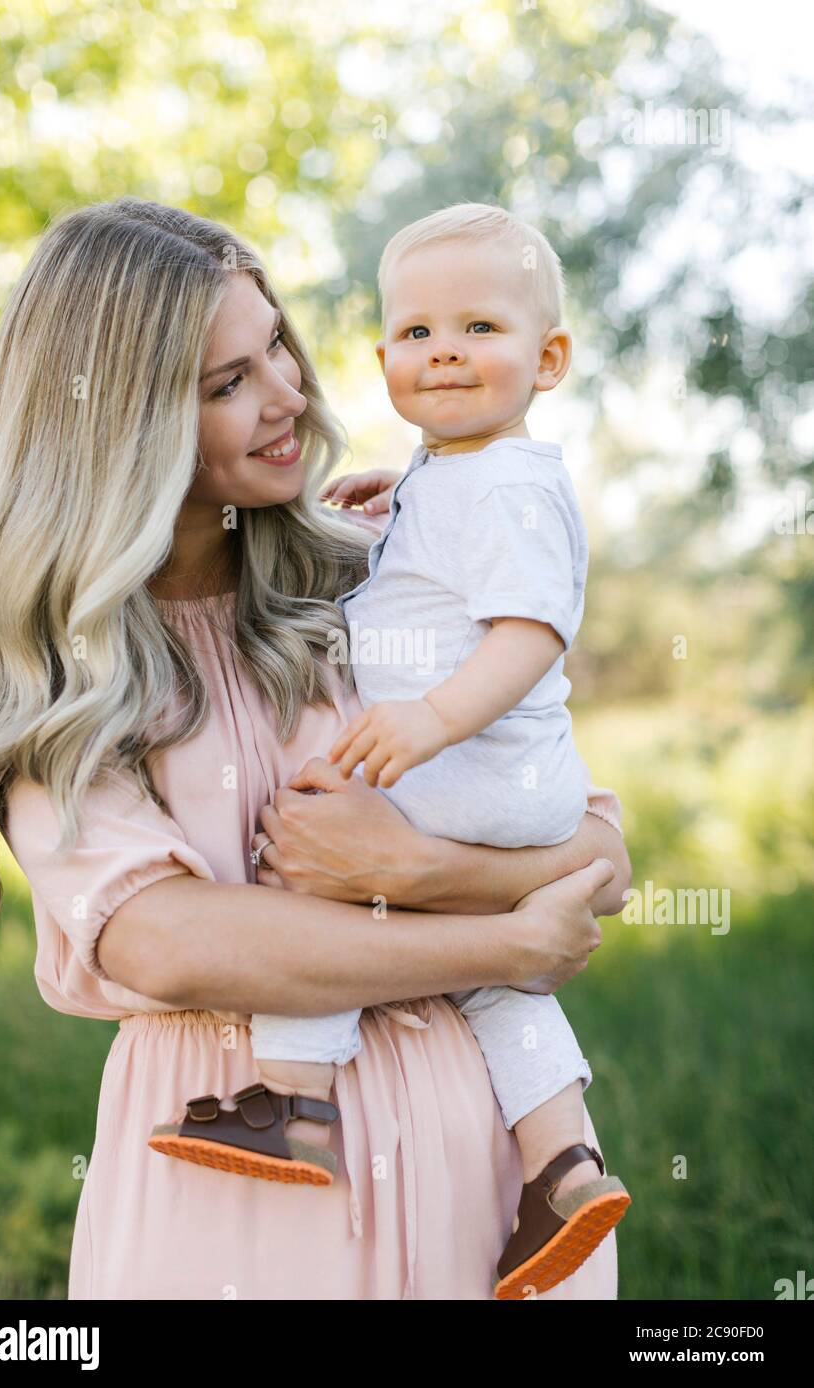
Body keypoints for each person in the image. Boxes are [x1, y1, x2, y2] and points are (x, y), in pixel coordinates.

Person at [0, 196, 630, 1300]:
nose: (288, 398)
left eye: (276, 346)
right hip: (238, 1198)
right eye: (226, 384)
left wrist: (425, 874)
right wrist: (502, 942)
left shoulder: (372, 568)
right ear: (116, 424)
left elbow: (596, 849)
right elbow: (160, 940)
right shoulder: (53, 659)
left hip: (482, 1172)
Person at [170, 203, 630, 1299]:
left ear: (549, 358)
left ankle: (292, 1096)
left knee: (322, 865)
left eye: (479, 326)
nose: (446, 352)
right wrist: (403, 507)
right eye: (417, 335)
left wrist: (425, 727)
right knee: (498, 978)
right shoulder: (453, 477)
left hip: (466, 770)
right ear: (380, 359)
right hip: (513, 793)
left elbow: (527, 630)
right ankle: (560, 1158)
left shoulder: (514, 481)